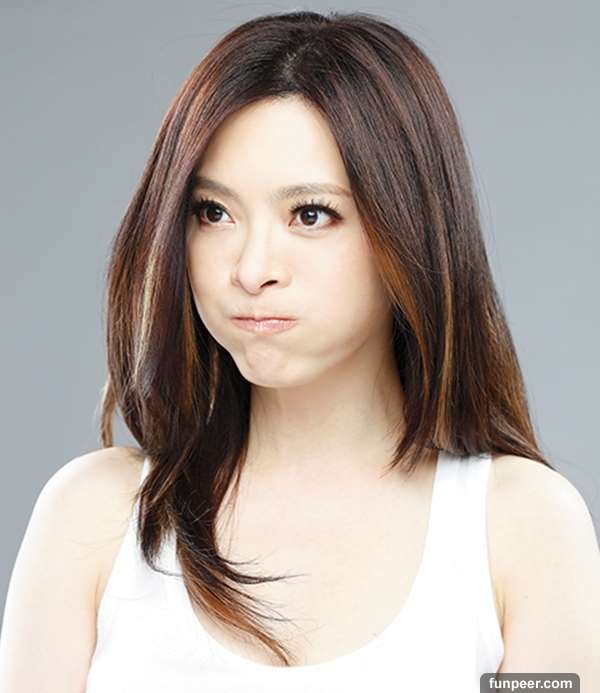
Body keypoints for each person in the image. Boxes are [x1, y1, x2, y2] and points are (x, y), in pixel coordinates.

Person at [1, 9, 598, 693]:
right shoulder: (94, 518)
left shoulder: (520, 530)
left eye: (311, 214)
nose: (252, 268)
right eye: (214, 212)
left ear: (410, 229)